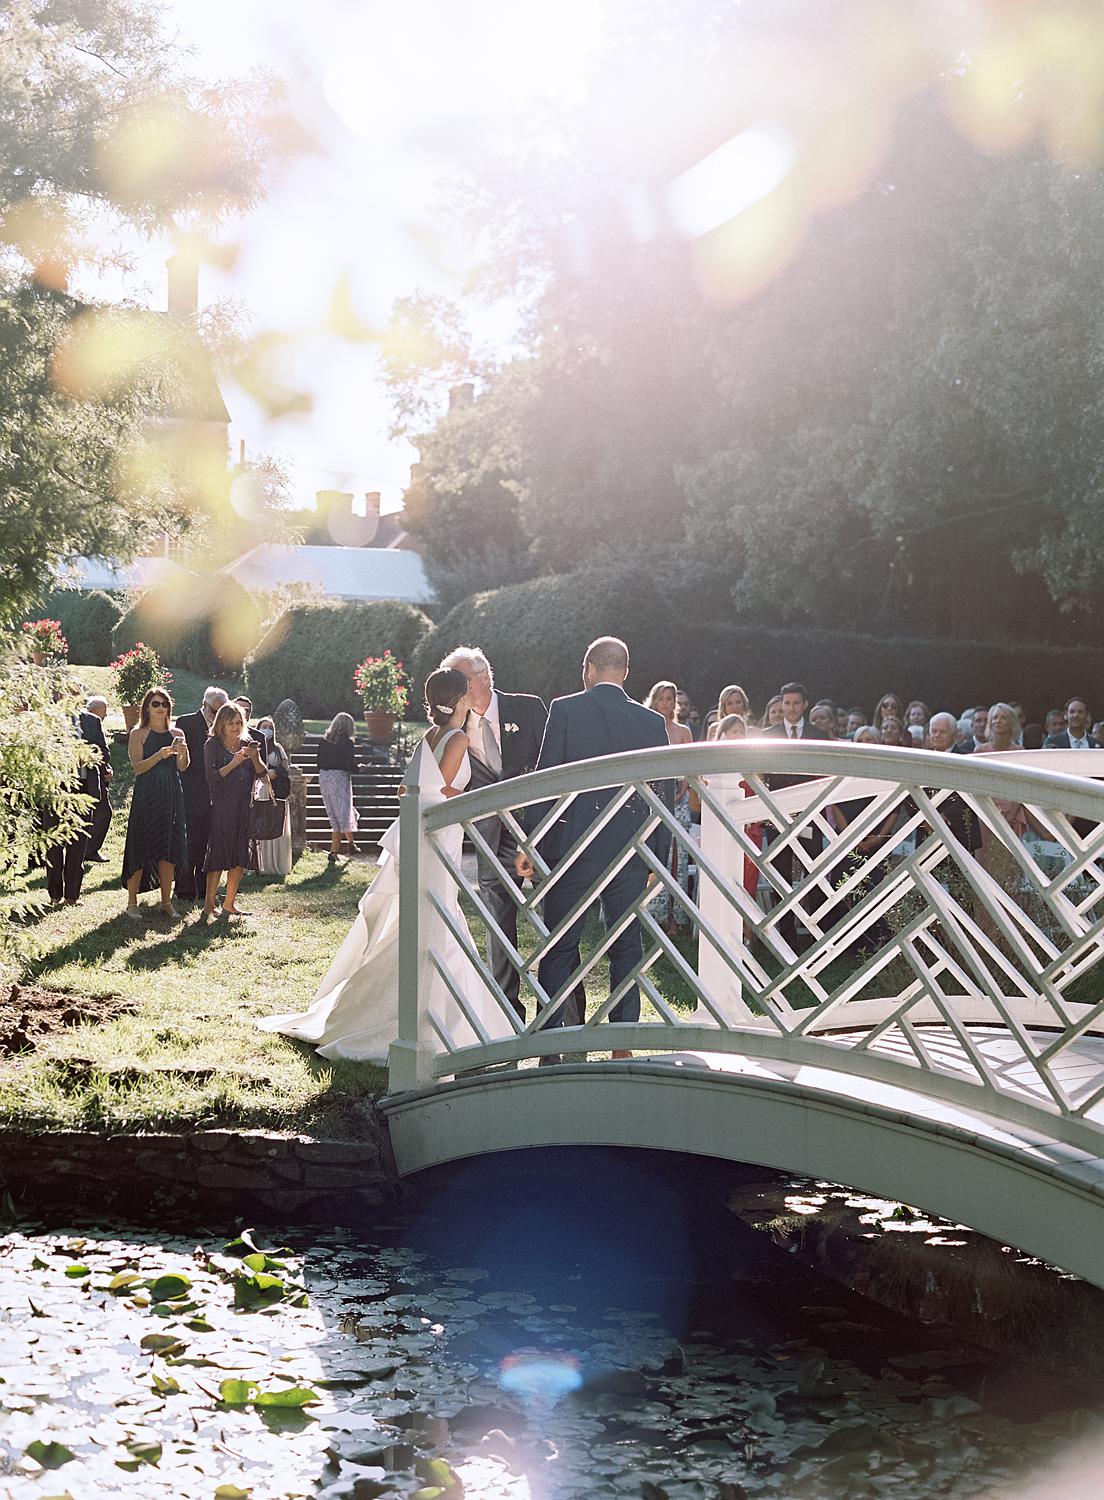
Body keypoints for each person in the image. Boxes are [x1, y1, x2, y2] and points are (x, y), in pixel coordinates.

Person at [257, 668, 509, 1062]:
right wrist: (479, 798)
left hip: (424, 833)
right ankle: (428, 1019)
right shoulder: (457, 737)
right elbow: (441, 787)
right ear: (460, 701)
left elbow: (408, 787)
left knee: (428, 918)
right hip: (437, 836)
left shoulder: (430, 736)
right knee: (435, 918)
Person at [515, 637, 672, 1063]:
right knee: (626, 942)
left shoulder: (565, 709)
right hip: (631, 847)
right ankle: (622, 1039)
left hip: (575, 844)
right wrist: (659, 851)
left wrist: (532, 841)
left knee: (561, 942)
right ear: (624, 672)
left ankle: (550, 1039)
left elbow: (548, 779)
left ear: (587, 670)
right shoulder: (651, 722)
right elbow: (664, 790)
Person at [439, 646, 548, 1022]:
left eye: (462, 679)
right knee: (498, 931)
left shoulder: (529, 708)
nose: (457, 688)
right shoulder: (453, 726)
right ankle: (507, 1014)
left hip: (539, 834)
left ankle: (557, 1013)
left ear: (485, 676)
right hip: (490, 837)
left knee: (555, 923)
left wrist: (539, 829)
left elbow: (553, 766)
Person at [122, 687, 188, 921]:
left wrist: (183, 752)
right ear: (147, 707)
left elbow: (182, 767)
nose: (161, 708)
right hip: (147, 795)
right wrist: (159, 755)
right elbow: (138, 768)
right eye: (156, 704)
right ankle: (132, 903)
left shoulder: (177, 732)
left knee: (168, 847)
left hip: (171, 794)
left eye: (165, 704)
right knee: (140, 844)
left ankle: (166, 902)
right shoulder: (138, 734)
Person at [202, 701, 268, 921]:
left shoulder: (248, 742)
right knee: (219, 855)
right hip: (222, 807)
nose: (235, 726)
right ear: (221, 723)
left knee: (240, 855)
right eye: (231, 722)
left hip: (244, 807)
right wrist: (235, 761)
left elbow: (262, 775)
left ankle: (229, 903)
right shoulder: (213, 744)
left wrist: (255, 758)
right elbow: (212, 778)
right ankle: (209, 905)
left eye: (239, 722)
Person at [645, 680, 694, 935]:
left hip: (678, 799)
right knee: (655, 855)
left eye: (670, 699)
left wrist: (685, 784)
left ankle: (675, 917)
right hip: (653, 798)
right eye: (662, 698)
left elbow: (689, 764)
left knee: (678, 858)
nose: (666, 703)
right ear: (654, 700)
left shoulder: (683, 732)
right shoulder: (645, 727)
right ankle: (652, 914)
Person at [174, 686, 229, 902]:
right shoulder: (185, 723)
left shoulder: (224, 726)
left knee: (209, 845)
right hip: (191, 793)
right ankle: (185, 891)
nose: (218, 716)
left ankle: (206, 890)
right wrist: (210, 759)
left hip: (217, 795)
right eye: (215, 711)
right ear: (204, 705)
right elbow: (183, 759)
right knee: (190, 844)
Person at [317, 712, 360, 862]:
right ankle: (333, 852)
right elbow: (350, 765)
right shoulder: (347, 743)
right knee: (341, 815)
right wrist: (360, 768)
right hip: (340, 778)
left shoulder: (323, 741)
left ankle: (351, 844)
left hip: (324, 777)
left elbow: (319, 762)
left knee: (338, 812)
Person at [253, 715, 293, 876]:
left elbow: (286, 768)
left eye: (270, 727)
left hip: (275, 790)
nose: (267, 730)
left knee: (275, 821)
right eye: (264, 726)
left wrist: (275, 772)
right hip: (258, 790)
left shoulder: (278, 749)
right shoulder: (253, 746)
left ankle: (276, 864)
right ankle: (259, 863)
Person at [82, 696, 113, 863]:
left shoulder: (92, 723)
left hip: (96, 777)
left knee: (102, 813)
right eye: (104, 713)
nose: (106, 716)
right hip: (88, 778)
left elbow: (104, 754)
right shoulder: (92, 722)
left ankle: (89, 850)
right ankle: (88, 850)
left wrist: (107, 769)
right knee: (102, 813)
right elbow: (101, 752)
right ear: (93, 712)